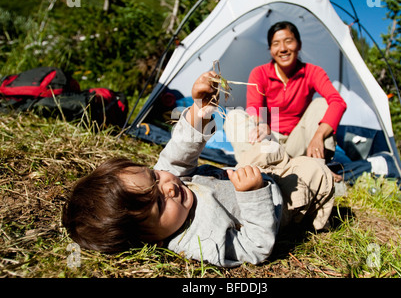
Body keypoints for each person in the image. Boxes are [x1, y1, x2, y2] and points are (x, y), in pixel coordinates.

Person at [62, 71, 335, 267]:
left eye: (154, 176)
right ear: (148, 240)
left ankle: (282, 147)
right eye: (158, 202)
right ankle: (312, 210)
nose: (167, 187)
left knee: (242, 121)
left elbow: (179, 154)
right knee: (316, 171)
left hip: (250, 169)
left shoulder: (170, 184)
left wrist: (200, 110)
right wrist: (254, 194)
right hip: (280, 200)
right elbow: (255, 247)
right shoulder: (201, 241)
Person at [225, 21, 347, 168]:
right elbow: (254, 107)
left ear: (299, 45)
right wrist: (261, 125)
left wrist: (318, 135)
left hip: (297, 143)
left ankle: (317, 167)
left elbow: (338, 103)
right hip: (269, 142)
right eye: (276, 44)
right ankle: (253, 168)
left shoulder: (312, 72)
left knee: (322, 103)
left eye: (288, 41)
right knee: (234, 116)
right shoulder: (260, 73)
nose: (283, 49)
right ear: (270, 49)